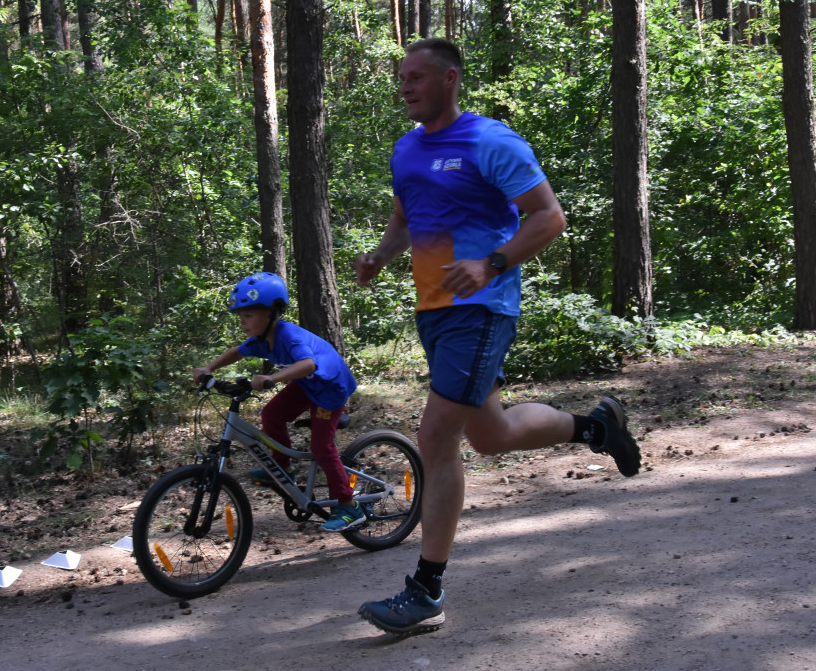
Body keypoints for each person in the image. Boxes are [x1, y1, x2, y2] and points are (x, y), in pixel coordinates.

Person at [354, 38, 641, 636]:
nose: (405, 87)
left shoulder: (491, 141)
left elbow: (548, 216)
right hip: (433, 310)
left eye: (416, 77)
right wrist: (383, 253)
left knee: (435, 437)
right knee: (491, 434)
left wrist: (493, 262)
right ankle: (595, 427)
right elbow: (408, 213)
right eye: (401, 78)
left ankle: (425, 591)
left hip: (480, 308)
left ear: (450, 80)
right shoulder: (407, 149)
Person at [193, 272, 364, 532]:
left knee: (321, 446)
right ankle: (283, 468)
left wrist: (272, 377)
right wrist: (209, 367)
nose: (243, 322)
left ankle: (348, 506)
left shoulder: (288, 336)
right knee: (271, 415)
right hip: (308, 384)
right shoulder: (263, 340)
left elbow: (308, 364)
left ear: (271, 313)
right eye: (241, 316)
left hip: (330, 387)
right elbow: (237, 352)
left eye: (248, 315)